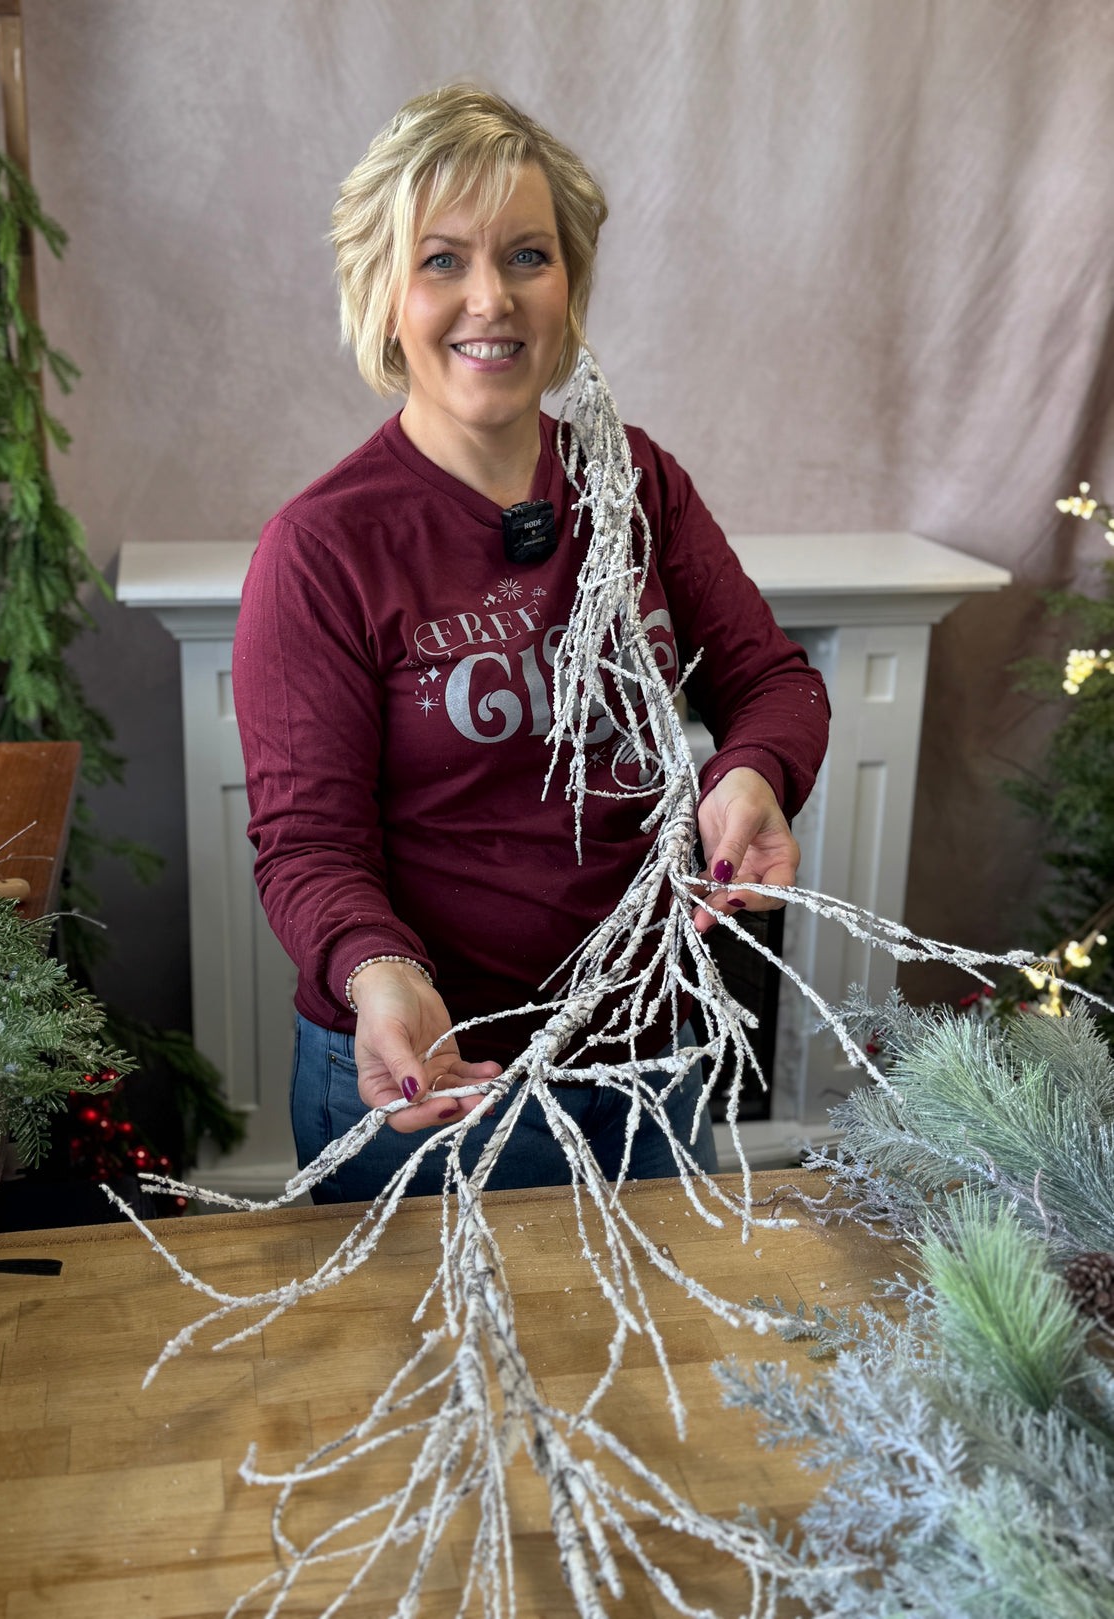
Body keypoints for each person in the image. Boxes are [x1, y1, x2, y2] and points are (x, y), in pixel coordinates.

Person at [232, 86, 829, 1203]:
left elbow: (772, 680)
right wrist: (380, 971)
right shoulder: (321, 549)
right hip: (439, 1077)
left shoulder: (634, 481)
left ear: (569, 284)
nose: (491, 298)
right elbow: (306, 843)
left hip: (649, 1054)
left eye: (526, 256)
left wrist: (751, 774)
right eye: (441, 261)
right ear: (383, 292)